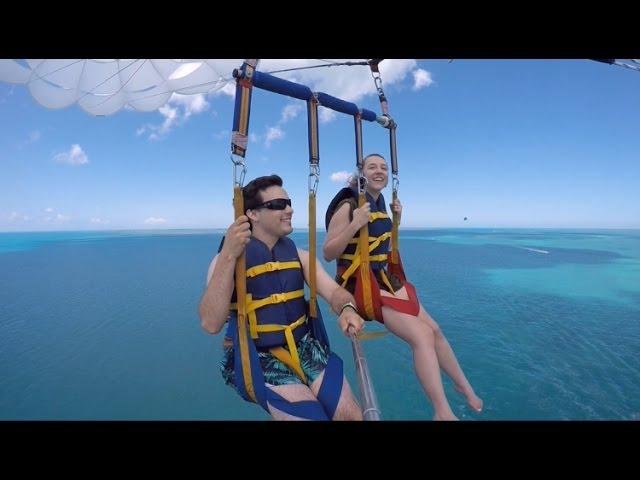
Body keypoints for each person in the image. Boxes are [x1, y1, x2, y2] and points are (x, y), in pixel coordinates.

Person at [323, 153, 483, 420]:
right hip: (358, 284)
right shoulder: (350, 204)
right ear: (361, 173)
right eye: (372, 167)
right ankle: (441, 410)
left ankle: (462, 384)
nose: (380, 171)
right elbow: (329, 252)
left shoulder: (380, 201)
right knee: (421, 336)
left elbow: (378, 241)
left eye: (384, 167)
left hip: (381, 278)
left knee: (435, 330)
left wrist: (397, 219)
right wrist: (354, 223)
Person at [199, 174, 365, 421]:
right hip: (257, 357)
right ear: (253, 214)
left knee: (351, 415)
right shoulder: (226, 260)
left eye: (288, 202)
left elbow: (333, 291)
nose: (289, 209)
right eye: (278, 205)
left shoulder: (298, 255)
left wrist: (348, 308)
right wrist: (229, 256)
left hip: (306, 346)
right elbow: (211, 323)